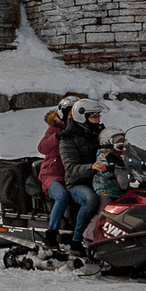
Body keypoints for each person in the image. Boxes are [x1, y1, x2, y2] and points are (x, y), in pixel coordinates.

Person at [49, 103, 105, 248]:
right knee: (90, 199)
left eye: (98, 116)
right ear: (82, 118)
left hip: (101, 180)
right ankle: (77, 240)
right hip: (77, 183)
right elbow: (71, 168)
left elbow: (115, 142)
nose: (97, 120)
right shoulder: (68, 139)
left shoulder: (99, 133)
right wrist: (92, 167)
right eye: (94, 117)